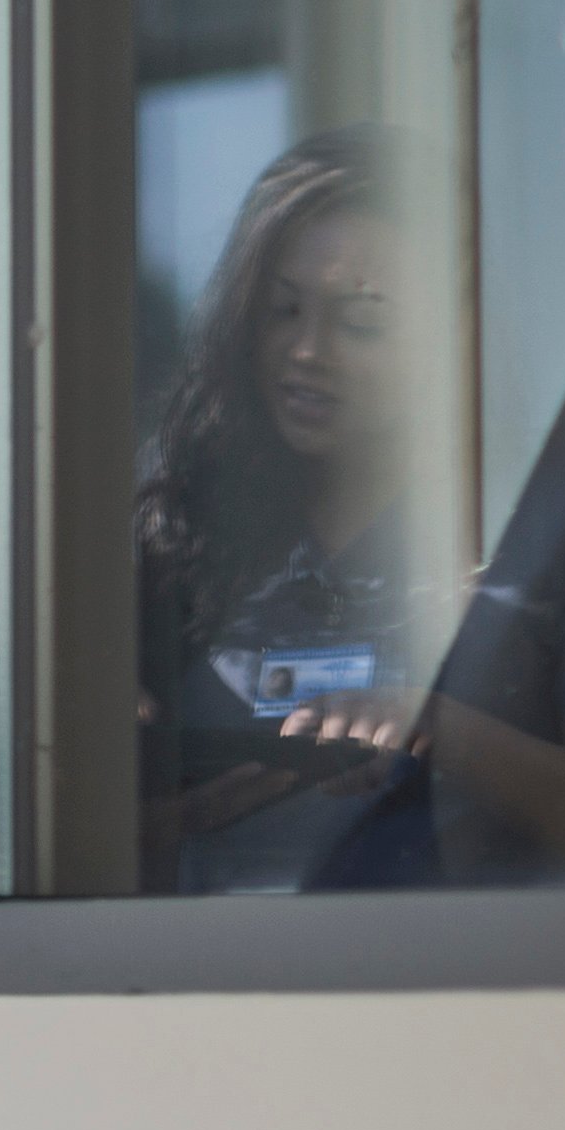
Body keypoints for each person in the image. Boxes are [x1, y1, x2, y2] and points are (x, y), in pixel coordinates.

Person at [135, 133, 451, 893]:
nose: (308, 350)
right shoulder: (171, 531)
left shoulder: (522, 522)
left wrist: (452, 731)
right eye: (282, 309)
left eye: (362, 323)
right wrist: (137, 827)